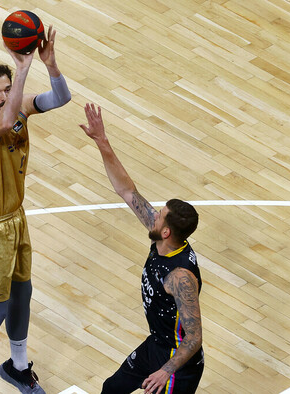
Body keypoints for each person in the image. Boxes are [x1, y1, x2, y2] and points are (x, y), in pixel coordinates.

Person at [0, 25, 71, 394]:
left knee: (23, 293)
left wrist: (50, 65)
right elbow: (5, 123)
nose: (4, 96)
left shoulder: (18, 106)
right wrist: (21, 68)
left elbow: (61, 98)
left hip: (15, 220)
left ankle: (17, 367)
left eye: (7, 88)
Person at [79, 103, 204, 394]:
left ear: (166, 231)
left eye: (159, 214)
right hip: (156, 345)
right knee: (112, 389)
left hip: (177, 364)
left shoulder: (180, 276)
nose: (152, 213)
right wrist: (102, 142)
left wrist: (165, 371)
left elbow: (194, 337)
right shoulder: (161, 235)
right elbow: (127, 190)